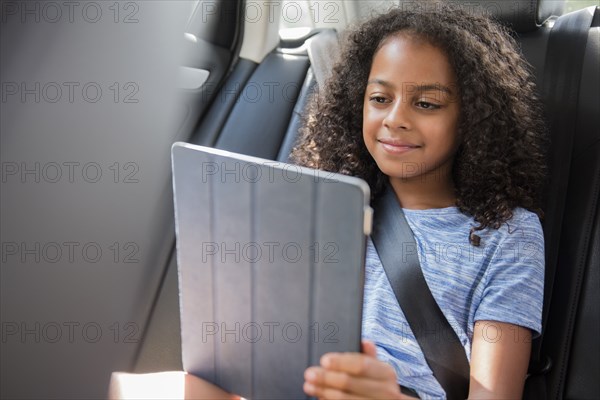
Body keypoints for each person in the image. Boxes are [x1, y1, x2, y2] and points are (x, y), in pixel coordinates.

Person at [110, 4, 546, 399]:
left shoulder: (507, 234)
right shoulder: (319, 203)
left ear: (474, 118)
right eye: (379, 99)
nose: (395, 118)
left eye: (426, 103)